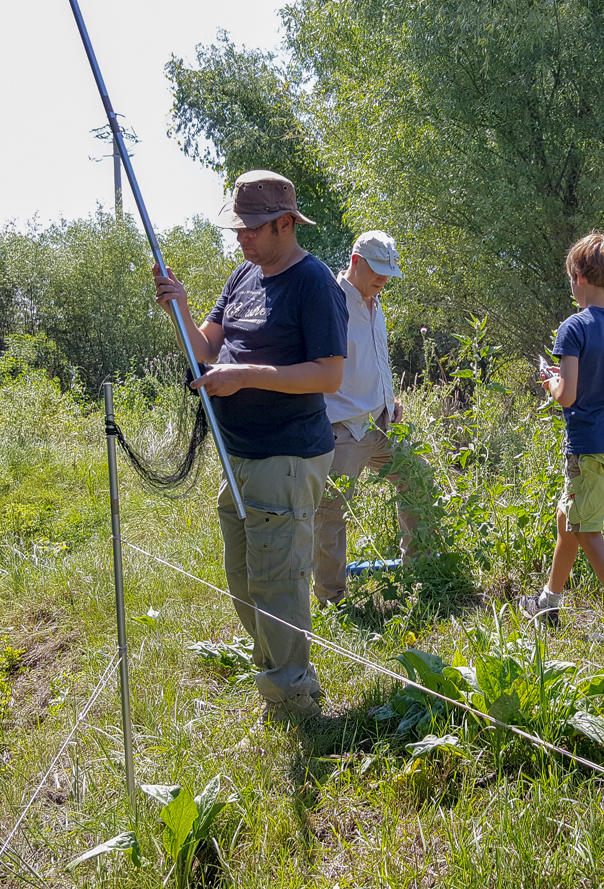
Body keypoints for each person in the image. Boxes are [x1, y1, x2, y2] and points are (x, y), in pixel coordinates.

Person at [152, 170, 348, 718]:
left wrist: (248, 375)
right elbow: (204, 350)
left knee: (278, 580)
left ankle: (292, 703)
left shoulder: (314, 284)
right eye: (239, 227)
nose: (242, 237)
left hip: (286, 454)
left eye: (254, 228)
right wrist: (179, 308)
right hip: (238, 452)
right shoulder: (243, 276)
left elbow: (329, 375)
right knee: (244, 578)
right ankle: (287, 677)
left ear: (286, 223)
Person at [520, 232, 604, 645]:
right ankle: (547, 602)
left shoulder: (573, 327)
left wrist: (550, 383)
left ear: (579, 275)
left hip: (587, 445)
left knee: (587, 533)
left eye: (569, 277)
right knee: (568, 521)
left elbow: (569, 395)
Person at [313, 230, 417, 607]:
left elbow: (374, 361)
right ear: (356, 262)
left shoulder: (375, 303)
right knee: (330, 514)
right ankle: (331, 601)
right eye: (378, 271)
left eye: (389, 273)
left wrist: (390, 400)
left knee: (418, 479)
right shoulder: (330, 301)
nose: (384, 280)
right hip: (343, 427)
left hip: (382, 423)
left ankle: (418, 573)